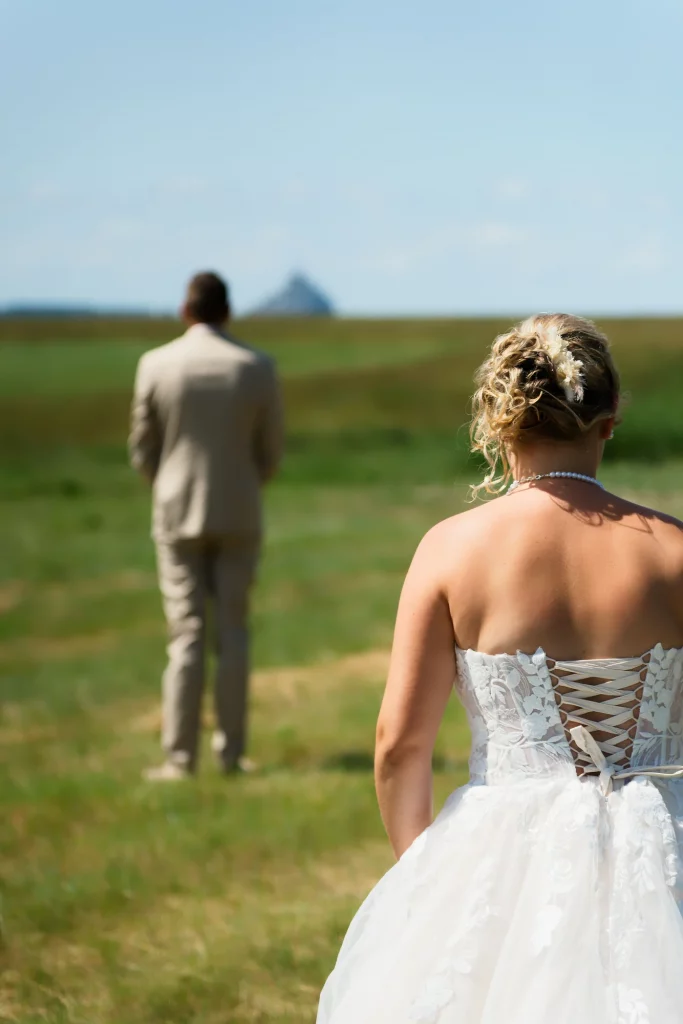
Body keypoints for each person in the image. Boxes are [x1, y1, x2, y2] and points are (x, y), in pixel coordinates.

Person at [317, 314, 683, 1023]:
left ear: (497, 422)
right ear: (609, 420)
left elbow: (400, 746)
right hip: (664, 840)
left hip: (505, 852)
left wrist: (425, 882)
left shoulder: (450, 549)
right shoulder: (672, 550)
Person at [129, 271, 283, 781]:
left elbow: (142, 448)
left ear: (185, 310)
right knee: (233, 632)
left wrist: (166, 482)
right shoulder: (256, 366)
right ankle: (231, 753)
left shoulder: (156, 364)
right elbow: (270, 452)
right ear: (228, 311)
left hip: (176, 511)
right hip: (239, 508)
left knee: (186, 635)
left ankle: (180, 757)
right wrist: (244, 481)